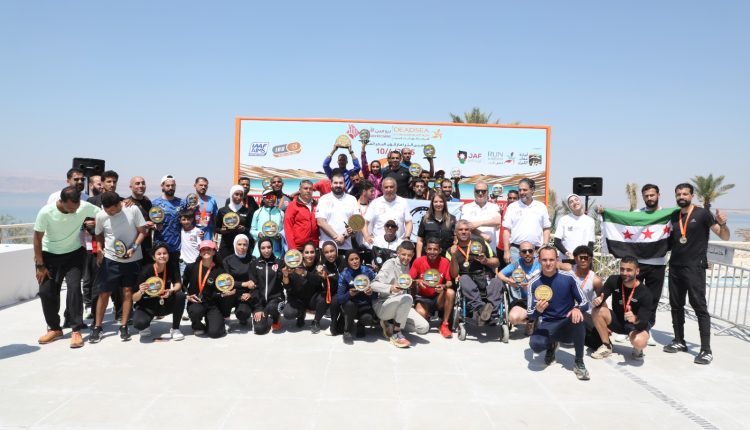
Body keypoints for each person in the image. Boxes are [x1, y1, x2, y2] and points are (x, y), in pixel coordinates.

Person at [663, 183, 729, 365]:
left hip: (694, 268)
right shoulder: (674, 216)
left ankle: (706, 350)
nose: (681, 196)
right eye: (678, 194)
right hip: (675, 267)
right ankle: (679, 340)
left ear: (692, 196)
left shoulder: (702, 214)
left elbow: (724, 236)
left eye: (685, 194)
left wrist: (723, 223)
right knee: (676, 305)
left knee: (699, 307)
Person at [34, 186, 100, 348]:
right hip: (49, 256)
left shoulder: (83, 207)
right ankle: (55, 329)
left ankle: (76, 330)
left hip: (74, 255)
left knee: (74, 289)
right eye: (70, 208)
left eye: (76, 208)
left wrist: (123, 204)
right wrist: (40, 265)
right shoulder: (46, 212)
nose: (74, 211)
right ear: (61, 201)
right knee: (46, 292)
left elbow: (104, 213)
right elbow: (37, 238)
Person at [90, 191, 148, 343]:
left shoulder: (132, 209)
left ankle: (123, 326)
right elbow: (98, 234)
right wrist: (100, 249)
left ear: (119, 204)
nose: (111, 213)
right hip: (110, 260)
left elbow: (143, 231)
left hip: (132, 259)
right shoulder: (101, 215)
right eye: (108, 211)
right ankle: (97, 327)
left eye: (113, 210)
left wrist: (133, 247)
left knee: (127, 292)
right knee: (104, 293)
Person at [527, 246, 590, 380]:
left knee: (579, 318)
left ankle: (579, 361)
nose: (548, 263)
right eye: (544, 260)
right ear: (539, 260)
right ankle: (551, 345)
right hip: (548, 323)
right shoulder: (533, 283)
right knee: (536, 345)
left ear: (557, 260)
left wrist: (577, 308)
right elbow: (530, 314)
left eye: (551, 259)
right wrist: (538, 310)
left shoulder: (568, 277)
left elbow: (585, 302)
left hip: (568, 321)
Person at [591, 256, 653, 361]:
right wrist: (598, 301)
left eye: (629, 270)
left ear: (637, 271)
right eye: (622, 269)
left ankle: (638, 349)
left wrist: (635, 319)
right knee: (597, 310)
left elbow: (643, 323)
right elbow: (601, 297)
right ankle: (606, 346)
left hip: (635, 326)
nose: (624, 273)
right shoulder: (613, 280)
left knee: (640, 342)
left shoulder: (645, 293)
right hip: (618, 321)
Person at [372, 241, 429, 348]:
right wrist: (390, 288)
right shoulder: (390, 264)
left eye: (409, 255)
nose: (406, 258)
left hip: (402, 304)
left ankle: (391, 324)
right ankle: (396, 333)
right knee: (407, 298)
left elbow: (405, 282)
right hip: (384, 304)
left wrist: (415, 282)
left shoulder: (408, 265)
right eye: (403, 254)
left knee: (424, 327)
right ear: (398, 253)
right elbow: (373, 285)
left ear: (413, 255)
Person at [447, 220, 502, 326]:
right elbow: (454, 274)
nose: (464, 232)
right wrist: (453, 256)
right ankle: (482, 309)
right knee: (463, 279)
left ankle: (488, 313)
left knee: (497, 281)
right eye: (460, 230)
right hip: (467, 279)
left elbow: (497, 262)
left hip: (484, 275)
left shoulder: (481, 242)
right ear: (455, 232)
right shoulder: (450, 250)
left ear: (470, 231)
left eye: (466, 229)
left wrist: (486, 261)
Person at [132, 243, 186, 340]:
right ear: (154, 257)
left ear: (168, 255)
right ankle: (145, 325)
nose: (162, 256)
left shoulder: (171, 266)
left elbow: (178, 284)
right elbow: (134, 297)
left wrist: (171, 290)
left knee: (180, 295)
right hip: (148, 304)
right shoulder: (146, 270)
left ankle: (175, 329)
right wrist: (140, 291)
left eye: (165, 253)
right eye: (159, 254)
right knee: (139, 324)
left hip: (164, 301)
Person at [183, 240, 234, 338]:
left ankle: (214, 321)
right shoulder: (191, 267)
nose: (206, 251)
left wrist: (225, 293)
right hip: (196, 302)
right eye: (203, 249)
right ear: (200, 252)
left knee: (215, 333)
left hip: (212, 304)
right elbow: (183, 285)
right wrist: (187, 296)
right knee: (196, 311)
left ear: (214, 252)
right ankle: (197, 326)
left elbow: (222, 288)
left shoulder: (220, 269)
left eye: (209, 249)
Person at [410, 237, 455, 338]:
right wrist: (418, 281)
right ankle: (427, 315)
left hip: (438, 297)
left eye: (435, 249)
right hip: (423, 297)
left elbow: (449, 282)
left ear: (440, 250)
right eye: (429, 249)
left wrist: (443, 286)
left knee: (450, 292)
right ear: (425, 249)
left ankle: (444, 325)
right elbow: (409, 280)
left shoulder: (445, 262)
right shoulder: (418, 261)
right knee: (421, 318)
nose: (432, 252)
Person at [281, 242, 329, 333]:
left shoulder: (319, 266)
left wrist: (304, 273)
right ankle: (301, 314)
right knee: (288, 313)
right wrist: (286, 276)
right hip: (297, 299)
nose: (309, 255)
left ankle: (316, 321)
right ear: (302, 254)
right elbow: (287, 287)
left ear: (315, 253)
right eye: (306, 252)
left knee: (324, 297)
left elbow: (318, 281)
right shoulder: (294, 264)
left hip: (313, 298)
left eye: (312, 252)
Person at [502, 178, 551, 264]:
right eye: (520, 190)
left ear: (532, 190)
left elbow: (546, 228)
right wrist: (506, 251)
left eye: (524, 190)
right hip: (516, 251)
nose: (521, 192)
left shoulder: (541, 207)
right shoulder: (512, 207)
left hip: (536, 251)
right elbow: (506, 230)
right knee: (516, 273)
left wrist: (545, 245)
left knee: (537, 273)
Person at [498, 241, 541, 336]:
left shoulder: (541, 263)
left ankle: (536, 319)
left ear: (534, 251)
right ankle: (531, 320)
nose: (527, 254)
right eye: (524, 251)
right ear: (520, 253)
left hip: (541, 299)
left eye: (530, 251)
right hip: (525, 300)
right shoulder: (516, 264)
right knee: (513, 318)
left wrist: (534, 284)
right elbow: (500, 274)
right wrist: (509, 281)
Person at [337, 250, 377, 344]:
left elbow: (377, 289)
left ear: (360, 259)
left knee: (368, 319)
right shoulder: (344, 275)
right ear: (347, 262)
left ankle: (360, 324)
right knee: (349, 305)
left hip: (365, 306)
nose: (355, 261)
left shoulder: (367, 271)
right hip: (351, 307)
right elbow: (339, 299)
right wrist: (349, 294)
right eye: (351, 260)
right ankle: (347, 331)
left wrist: (371, 292)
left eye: (356, 258)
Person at [246, 237, 285, 334]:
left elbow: (284, 283)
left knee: (272, 308)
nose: (266, 250)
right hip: (260, 301)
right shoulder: (254, 264)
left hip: (275, 298)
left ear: (272, 248)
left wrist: (286, 274)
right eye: (263, 248)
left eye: (269, 247)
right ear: (259, 249)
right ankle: (263, 316)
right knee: (259, 329)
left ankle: (275, 319)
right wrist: (258, 308)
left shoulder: (279, 262)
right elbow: (254, 287)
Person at [362, 177, 412, 247]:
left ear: (396, 188)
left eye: (391, 187)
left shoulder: (403, 202)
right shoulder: (375, 203)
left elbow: (409, 222)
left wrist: (407, 238)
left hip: (397, 245)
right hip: (378, 245)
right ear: (382, 189)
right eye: (386, 187)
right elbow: (364, 222)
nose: (389, 189)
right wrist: (366, 236)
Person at [316, 174, 358, 252]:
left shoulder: (352, 199)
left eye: (341, 183)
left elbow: (356, 222)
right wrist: (336, 237)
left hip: (347, 247)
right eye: (335, 183)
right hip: (327, 247)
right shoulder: (323, 199)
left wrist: (343, 236)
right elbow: (320, 222)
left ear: (344, 184)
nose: (338, 185)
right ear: (331, 184)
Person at [153, 175, 184, 274]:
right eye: (168, 185)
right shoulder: (155, 203)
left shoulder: (181, 203)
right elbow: (147, 222)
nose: (171, 187)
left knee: (176, 276)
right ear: (162, 186)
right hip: (160, 247)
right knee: (161, 276)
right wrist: (153, 226)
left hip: (177, 247)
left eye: (173, 185)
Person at [460, 182, 502, 252]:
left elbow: (497, 221)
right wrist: (482, 235)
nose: (480, 193)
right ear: (474, 192)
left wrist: (479, 223)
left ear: (487, 192)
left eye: (483, 191)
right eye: (477, 191)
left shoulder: (494, 206)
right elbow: (466, 226)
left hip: (490, 249)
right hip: (472, 249)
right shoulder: (466, 207)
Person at [223, 234, 254, 327]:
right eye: (239, 244)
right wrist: (243, 284)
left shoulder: (253, 259)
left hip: (246, 294)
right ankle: (226, 318)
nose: (242, 247)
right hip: (232, 292)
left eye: (245, 244)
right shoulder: (227, 260)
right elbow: (226, 282)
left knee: (243, 313)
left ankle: (242, 316)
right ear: (234, 245)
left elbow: (256, 280)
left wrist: (250, 293)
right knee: (227, 295)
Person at [553, 194, 595, 262]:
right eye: (571, 202)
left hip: (582, 260)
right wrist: (568, 254)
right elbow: (557, 241)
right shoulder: (563, 219)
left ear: (580, 201)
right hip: (566, 260)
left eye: (576, 200)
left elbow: (591, 243)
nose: (575, 202)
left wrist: (586, 257)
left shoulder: (590, 221)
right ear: (569, 206)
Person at [216, 185, 252, 261]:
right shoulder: (222, 210)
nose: (239, 197)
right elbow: (216, 228)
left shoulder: (247, 211)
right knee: (225, 265)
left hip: (241, 246)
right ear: (231, 194)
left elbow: (250, 229)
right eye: (236, 194)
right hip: (226, 245)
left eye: (241, 195)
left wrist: (244, 229)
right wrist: (222, 231)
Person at [125, 176, 156, 263]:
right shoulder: (126, 203)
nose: (141, 185)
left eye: (143, 183)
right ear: (130, 187)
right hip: (132, 246)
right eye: (137, 183)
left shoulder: (148, 202)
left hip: (147, 246)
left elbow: (151, 220)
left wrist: (153, 225)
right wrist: (143, 224)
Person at [416, 193, 456, 258]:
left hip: (446, 258)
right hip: (428, 257)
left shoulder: (452, 219)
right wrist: (418, 258)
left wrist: (454, 247)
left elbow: (455, 239)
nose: (438, 204)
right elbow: (420, 241)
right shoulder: (425, 219)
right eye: (435, 202)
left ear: (444, 203)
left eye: (441, 201)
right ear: (432, 203)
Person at [284, 180, 319, 251]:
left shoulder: (317, 205)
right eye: (305, 188)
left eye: (310, 189)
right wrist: (292, 248)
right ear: (300, 190)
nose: (308, 191)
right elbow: (288, 228)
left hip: (314, 247)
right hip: (298, 247)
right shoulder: (293, 205)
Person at [250, 189, 286, 258]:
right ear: (263, 199)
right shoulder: (257, 212)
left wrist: (280, 235)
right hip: (260, 250)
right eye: (269, 197)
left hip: (275, 250)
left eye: (273, 197)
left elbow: (284, 229)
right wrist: (258, 234)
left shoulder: (280, 213)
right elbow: (252, 230)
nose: (271, 199)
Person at [320, 241, 345, 336]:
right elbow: (327, 287)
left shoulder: (343, 260)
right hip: (335, 292)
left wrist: (331, 276)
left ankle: (341, 321)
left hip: (347, 292)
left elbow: (345, 279)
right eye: (326, 252)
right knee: (334, 300)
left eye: (332, 251)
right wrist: (324, 278)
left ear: (336, 250)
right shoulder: (324, 265)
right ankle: (333, 324)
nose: (330, 254)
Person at [179, 210, 203, 275]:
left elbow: (200, 246)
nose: (186, 221)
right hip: (183, 262)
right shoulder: (180, 230)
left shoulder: (197, 231)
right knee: (183, 279)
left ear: (192, 219)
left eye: (188, 219)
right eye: (184, 219)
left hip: (194, 261)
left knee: (193, 279)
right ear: (180, 220)